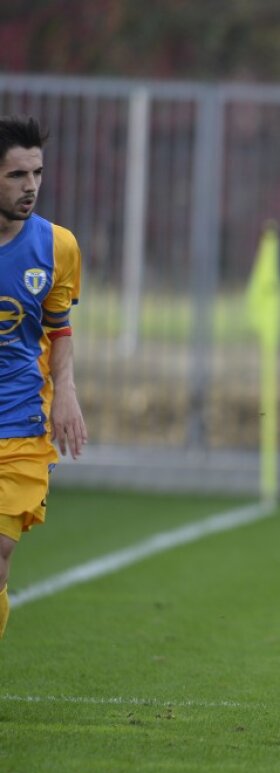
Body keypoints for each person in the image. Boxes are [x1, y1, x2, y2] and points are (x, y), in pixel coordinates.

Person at [0, 115, 87, 640]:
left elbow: (59, 327)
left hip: (19, 425)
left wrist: (67, 393)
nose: (30, 186)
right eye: (16, 175)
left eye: (37, 173)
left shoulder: (58, 247)